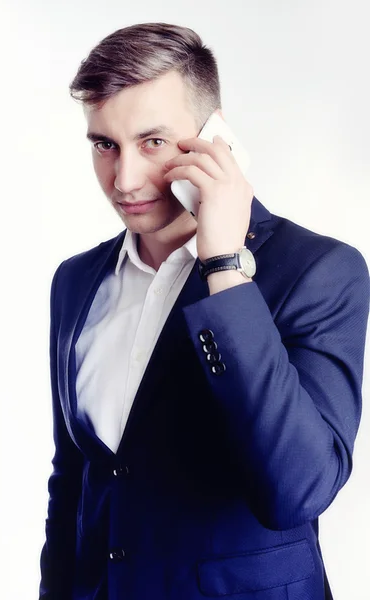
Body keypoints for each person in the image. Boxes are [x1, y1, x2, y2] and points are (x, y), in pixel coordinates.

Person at [38, 22, 369, 600]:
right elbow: (74, 481)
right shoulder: (75, 282)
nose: (125, 179)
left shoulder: (319, 272)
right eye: (104, 145)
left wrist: (224, 268)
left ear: (214, 138)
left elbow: (296, 489)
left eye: (153, 142)